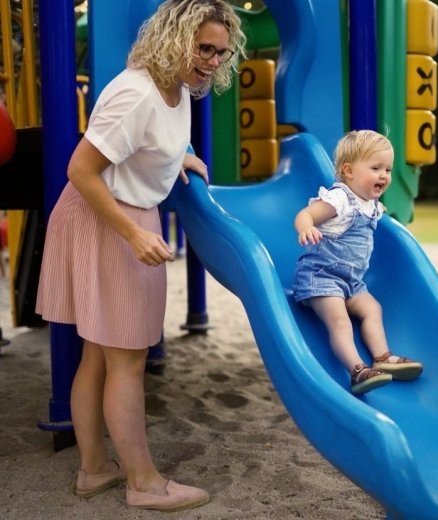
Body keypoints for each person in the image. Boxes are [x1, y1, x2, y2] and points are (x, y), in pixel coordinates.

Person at [35, 0, 245, 512]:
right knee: (127, 360)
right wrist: (133, 234)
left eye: (221, 52)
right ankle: (144, 483)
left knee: (99, 355)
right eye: (204, 49)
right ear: (175, 39)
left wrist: (179, 158)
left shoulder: (179, 87)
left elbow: (148, 146)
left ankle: (94, 469)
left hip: (118, 213)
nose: (213, 62)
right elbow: (80, 170)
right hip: (107, 218)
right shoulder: (137, 94)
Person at [292, 130, 423, 394]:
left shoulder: (372, 205)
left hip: (352, 282)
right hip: (321, 277)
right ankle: (357, 370)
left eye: (387, 169)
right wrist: (306, 228)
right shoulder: (339, 199)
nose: (384, 175)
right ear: (349, 171)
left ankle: (382, 357)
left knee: (373, 309)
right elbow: (305, 214)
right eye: (376, 168)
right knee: (339, 320)